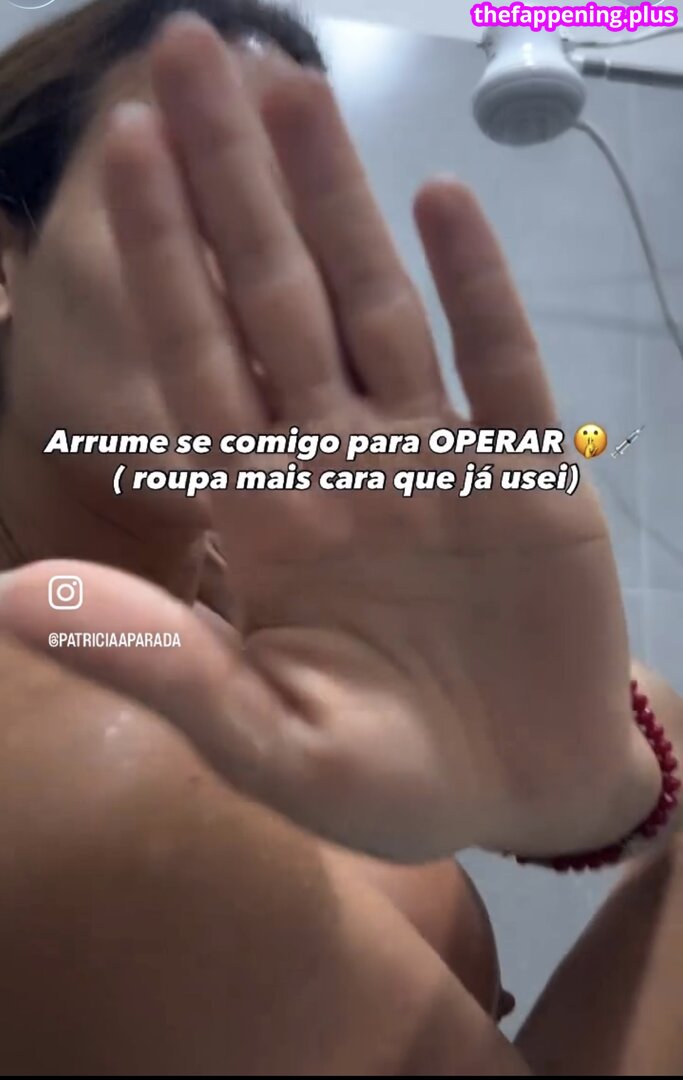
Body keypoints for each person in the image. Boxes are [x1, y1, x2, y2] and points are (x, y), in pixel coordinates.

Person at [0, 0, 681, 1073]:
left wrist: (609, 789)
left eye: (296, 236)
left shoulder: (253, 610)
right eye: (198, 207)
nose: (281, 299)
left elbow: (614, 743)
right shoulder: (69, 746)